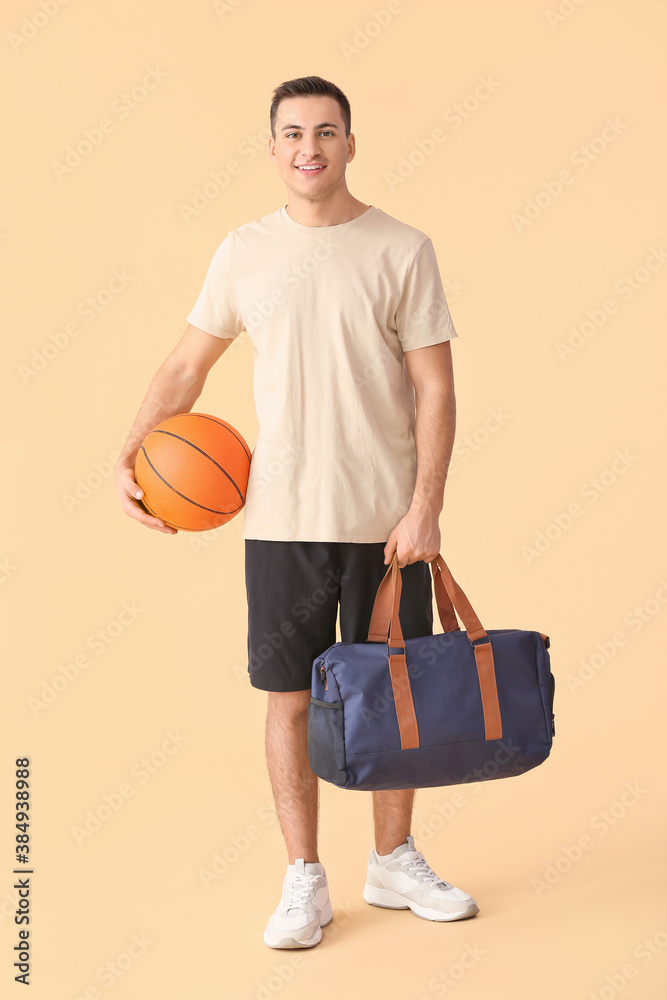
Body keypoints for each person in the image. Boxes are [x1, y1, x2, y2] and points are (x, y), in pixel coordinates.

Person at [114, 74, 479, 950]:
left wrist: (425, 507)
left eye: (325, 130)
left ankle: (392, 860)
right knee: (285, 701)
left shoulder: (401, 247)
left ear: (351, 143)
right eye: (291, 133)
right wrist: (128, 456)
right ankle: (304, 880)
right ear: (272, 148)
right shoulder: (243, 252)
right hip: (278, 519)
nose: (308, 146)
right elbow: (182, 369)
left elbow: (435, 390)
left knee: (397, 701)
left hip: (388, 526)